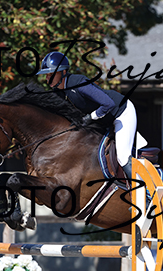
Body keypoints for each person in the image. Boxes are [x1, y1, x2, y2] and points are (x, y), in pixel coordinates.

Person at [36, 51, 137, 179]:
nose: (47, 78)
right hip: (103, 119)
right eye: (46, 75)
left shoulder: (79, 83)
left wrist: (90, 117)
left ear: (63, 72)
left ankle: (144, 189)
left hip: (121, 112)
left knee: (123, 157)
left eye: (51, 74)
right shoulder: (59, 92)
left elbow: (108, 104)